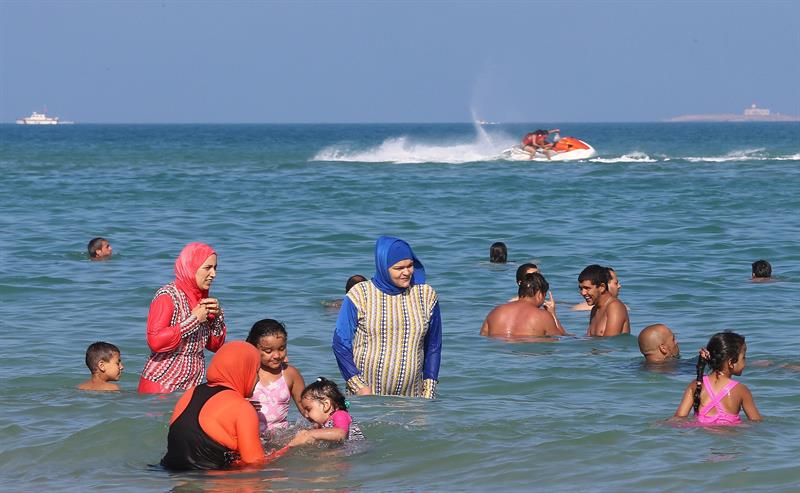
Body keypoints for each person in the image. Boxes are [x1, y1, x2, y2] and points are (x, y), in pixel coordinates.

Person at [332, 236, 442, 398]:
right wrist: (358, 386)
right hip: (367, 398)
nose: (407, 272)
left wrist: (429, 391)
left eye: (410, 265)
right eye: (399, 268)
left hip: (412, 399)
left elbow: (433, 346)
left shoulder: (426, 295)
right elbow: (340, 343)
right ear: (383, 266)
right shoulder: (360, 295)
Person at [161, 341, 266, 470]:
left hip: (166, 472)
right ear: (245, 371)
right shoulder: (242, 408)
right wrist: (286, 451)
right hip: (209, 479)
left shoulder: (190, 393)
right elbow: (255, 465)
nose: (258, 378)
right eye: (256, 372)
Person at [138, 242, 227, 394]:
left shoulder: (202, 299)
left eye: (215, 268)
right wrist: (194, 320)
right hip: (161, 385)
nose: (213, 274)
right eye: (207, 268)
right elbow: (155, 341)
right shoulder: (168, 296)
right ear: (191, 267)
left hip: (190, 387)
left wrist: (217, 318)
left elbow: (215, 346)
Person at [674, 331, 761, 425]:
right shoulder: (741, 390)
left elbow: (679, 418)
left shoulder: (695, 384)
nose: (745, 361)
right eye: (743, 357)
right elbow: (757, 422)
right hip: (729, 433)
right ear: (731, 362)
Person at [246, 319, 306, 434]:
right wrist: (243, 405)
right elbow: (228, 402)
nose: (277, 355)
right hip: (249, 435)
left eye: (282, 348)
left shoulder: (290, 373)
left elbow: (306, 408)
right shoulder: (245, 372)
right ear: (253, 347)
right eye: (268, 351)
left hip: (280, 436)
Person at [480, 273, 566, 339]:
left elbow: (482, 337)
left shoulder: (495, 311)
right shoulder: (543, 316)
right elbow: (559, 339)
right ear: (539, 294)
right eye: (545, 295)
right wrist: (552, 314)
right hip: (528, 355)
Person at [288, 377, 364, 447]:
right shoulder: (322, 423)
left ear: (326, 405)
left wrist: (310, 434)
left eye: (308, 409)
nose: (306, 415)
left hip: (355, 448)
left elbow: (340, 434)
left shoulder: (340, 414)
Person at [578, 264, 630, 337]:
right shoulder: (594, 310)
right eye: (581, 288)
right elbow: (589, 339)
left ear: (602, 287)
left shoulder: (615, 307)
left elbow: (609, 342)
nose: (583, 293)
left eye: (587, 288)